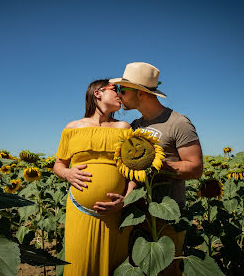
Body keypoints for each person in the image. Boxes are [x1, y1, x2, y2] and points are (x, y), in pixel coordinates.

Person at [93, 62, 203, 276]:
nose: (118, 94)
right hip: (136, 215)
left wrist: (155, 164)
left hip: (167, 217)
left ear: (141, 93)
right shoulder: (135, 126)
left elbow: (196, 168)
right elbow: (130, 172)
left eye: (122, 90)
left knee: (167, 271)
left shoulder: (178, 123)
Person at [53, 79, 137, 276]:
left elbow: (135, 170)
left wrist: (126, 199)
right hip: (80, 211)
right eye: (114, 89)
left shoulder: (124, 128)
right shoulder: (72, 128)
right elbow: (59, 164)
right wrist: (67, 173)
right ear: (97, 93)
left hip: (117, 213)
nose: (120, 94)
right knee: (79, 265)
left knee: (115, 264)